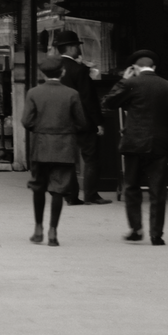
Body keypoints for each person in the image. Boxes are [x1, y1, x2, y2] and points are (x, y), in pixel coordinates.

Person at [102, 50, 168, 245]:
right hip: (159, 145)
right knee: (158, 191)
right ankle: (157, 235)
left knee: (131, 187)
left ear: (135, 69)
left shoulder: (130, 83)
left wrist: (123, 80)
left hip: (134, 144)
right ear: (154, 68)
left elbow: (109, 102)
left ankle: (136, 228)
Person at [22, 55, 90, 247]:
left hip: (41, 147)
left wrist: (41, 128)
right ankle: (53, 231)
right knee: (58, 190)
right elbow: (81, 122)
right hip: (64, 148)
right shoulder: (72, 94)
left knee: (38, 188)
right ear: (63, 72)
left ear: (42, 73)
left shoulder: (34, 93)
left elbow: (26, 121)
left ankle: (38, 228)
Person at [53, 29, 110, 205]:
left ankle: (71, 196)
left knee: (68, 159)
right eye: (77, 46)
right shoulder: (79, 70)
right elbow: (88, 99)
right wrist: (99, 122)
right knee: (91, 158)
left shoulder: (54, 69)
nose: (79, 49)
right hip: (83, 121)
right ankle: (91, 194)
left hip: (62, 121)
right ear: (70, 48)